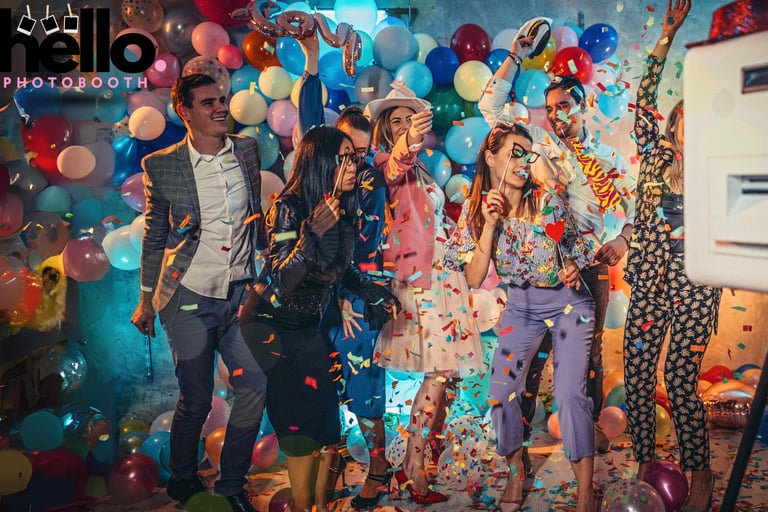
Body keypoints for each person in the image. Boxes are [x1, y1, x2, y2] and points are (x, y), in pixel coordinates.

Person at [478, 19, 637, 463]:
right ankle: (516, 438)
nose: (556, 113)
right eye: (551, 107)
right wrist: (515, 55)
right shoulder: (539, 144)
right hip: (541, 266)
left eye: (564, 105)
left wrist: (623, 240)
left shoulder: (608, 158)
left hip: (590, 269)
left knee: (590, 358)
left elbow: (638, 210)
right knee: (530, 353)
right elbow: (490, 108)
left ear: (584, 107)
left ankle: (587, 431)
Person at [238, 126, 400, 512]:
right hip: (270, 323)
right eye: (343, 158)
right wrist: (311, 233)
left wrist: (372, 291)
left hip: (307, 323)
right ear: (321, 163)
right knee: (300, 426)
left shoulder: (342, 206)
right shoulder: (289, 206)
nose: (353, 165)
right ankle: (303, 505)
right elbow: (282, 281)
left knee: (327, 423)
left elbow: (340, 269)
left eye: (353, 157)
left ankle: (317, 504)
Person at [444, 121, 597, 512]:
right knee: (500, 393)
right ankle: (516, 470)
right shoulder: (476, 210)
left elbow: (577, 253)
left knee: (569, 394)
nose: (523, 162)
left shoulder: (547, 200)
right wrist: (489, 225)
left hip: (568, 303)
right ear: (490, 157)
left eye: (527, 155)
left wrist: (572, 269)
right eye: (514, 153)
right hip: (521, 307)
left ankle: (585, 492)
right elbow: (473, 278)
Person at [130, 73, 266, 512]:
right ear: (184, 112)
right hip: (187, 297)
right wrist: (146, 299)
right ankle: (183, 477)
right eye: (208, 102)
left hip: (239, 294)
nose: (221, 108)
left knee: (254, 384)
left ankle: (232, 484)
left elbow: (257, 215)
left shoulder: (247, 150)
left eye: (222, 99)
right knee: (197, 398)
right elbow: (155, 236)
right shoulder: (162, 165)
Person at [367, 82, 484, 504]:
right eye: (396, 120)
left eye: (409, 119)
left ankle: (413, 466)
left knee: (443, 374)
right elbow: (398, 161)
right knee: (439, 372)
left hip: (443, 276)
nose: (403, 125)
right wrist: (410, 139)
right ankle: (410, 468)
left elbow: (431, 221)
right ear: (385, 129)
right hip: (421, 280)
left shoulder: (421, 171)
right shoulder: (385, 163)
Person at [623, 2, 720, 511]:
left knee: (681, 381)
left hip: (696, 286)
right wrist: (666, 36)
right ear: (674, 123)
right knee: (638, 376)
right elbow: (644, 99)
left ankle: (700, 472)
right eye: (684, 117)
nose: (690, 125)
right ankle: (644, 464)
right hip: (648, 281)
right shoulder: (654, 154)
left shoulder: (715, 167)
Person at [295, 32, 393, 510]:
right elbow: (308, 121)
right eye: (346, 151)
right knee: (327, 385)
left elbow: (360, 247)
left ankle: (378, 467)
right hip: (318, 298)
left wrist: (348, 297)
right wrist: (312, 63)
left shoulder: (371, 182)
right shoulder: (319, 174)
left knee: (363, 387)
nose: (354, 160)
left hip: (355, 294)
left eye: (361, 153)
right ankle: (332, 471)